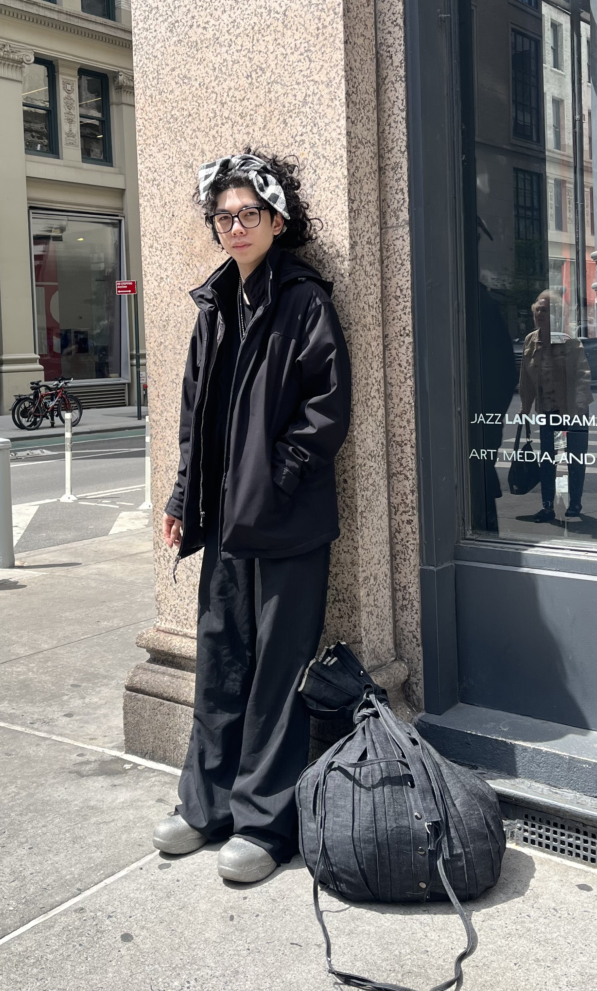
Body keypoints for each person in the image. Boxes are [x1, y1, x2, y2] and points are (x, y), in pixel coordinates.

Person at [151, 150, 351, 884]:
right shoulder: (214, 306)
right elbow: (192, 418)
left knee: (277, 674)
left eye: (247, 214)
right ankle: (205, 806)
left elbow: (327, 411)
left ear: (276, 219)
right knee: (221, 662)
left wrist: (281, 481)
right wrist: (182, 499)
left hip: (289, 523)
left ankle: (265, 825)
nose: (233, 226)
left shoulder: (304, 300)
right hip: (226, 522)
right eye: (223, 216)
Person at [519, 290, 592, 521]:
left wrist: (579, 405)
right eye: (537, 310)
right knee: (548, 460)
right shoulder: (531, 340)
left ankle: (575, 504)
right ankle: (548, 506)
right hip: (548, 410)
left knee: (575, 459)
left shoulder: (569, 341)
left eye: (545, 310)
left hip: (572, 409)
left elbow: (582, 374)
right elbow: (526, 377)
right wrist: (525, 406)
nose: (540, 314)